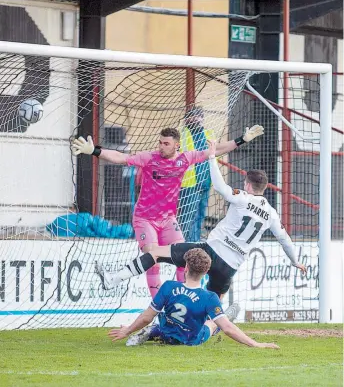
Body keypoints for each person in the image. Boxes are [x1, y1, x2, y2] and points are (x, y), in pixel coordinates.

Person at [95, 140, 307, 301]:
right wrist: (295, 261)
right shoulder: (271, 213)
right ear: (265, 189)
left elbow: (220, 187)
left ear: (248, 185)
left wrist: (212, 157)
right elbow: (285, 239)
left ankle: (114, 278)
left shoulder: (243, 197)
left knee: (155, 253)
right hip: (231, 266)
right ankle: (210, 328)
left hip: (211, 251)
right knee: (214, 303)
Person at [72, 125, 264, 298]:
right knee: (152, 258)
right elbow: (121, 157)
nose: (161, 146)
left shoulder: (185, 158)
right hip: (145, 219)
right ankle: (157, 306)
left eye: (166, 143)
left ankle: (183, 299)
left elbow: (216, 150)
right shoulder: (149, 158)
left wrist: (242, 139)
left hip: (167, 220)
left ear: (176, 146)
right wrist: (95, 151)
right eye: (160, 142)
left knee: (187, 258)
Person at [108, 248, 279, 349]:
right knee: (213, 324)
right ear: (206, 272)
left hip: (166, 332)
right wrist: (257, 344)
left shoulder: (168, 286)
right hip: (192, 340)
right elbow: (228, 329)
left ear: (186, 267)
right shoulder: (210, 297)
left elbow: (147, 316)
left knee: (158, 325)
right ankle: (226, 314)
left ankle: (150, 332)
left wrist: (128, 329)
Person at [178, 106, 212, 242]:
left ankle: (196, 243)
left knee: (200, 217)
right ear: (187, 119)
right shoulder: (181, 135)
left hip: (205, 182)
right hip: (189, 184)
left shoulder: (209, 133)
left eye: (198, 116)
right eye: (192, 116)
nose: (195, 119)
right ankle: (188, 245)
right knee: (188, 218)